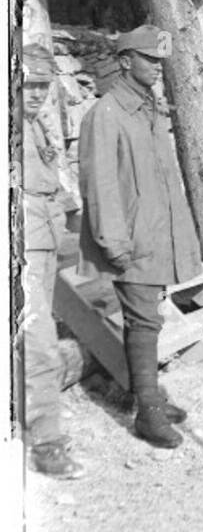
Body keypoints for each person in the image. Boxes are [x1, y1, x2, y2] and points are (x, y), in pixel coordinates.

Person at [78, 25, 201, 450]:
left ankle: (149, 395)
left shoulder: (149, 111)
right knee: (143, 320)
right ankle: (147, 412)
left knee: (151, 316)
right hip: (130, 240)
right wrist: (114, 242)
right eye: (149, 59)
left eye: (160, 61)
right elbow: (100, 185)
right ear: (125, 61)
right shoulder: (107, 113)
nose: (156, 67)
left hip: (155, 235)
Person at [19, 44, 83, 479]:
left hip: (43, 243)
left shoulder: (33, 127)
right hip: (20, 249)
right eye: (30, 85)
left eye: (44, 85)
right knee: (40, 343)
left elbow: (48, 185)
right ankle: (45, 441)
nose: (38, 93)